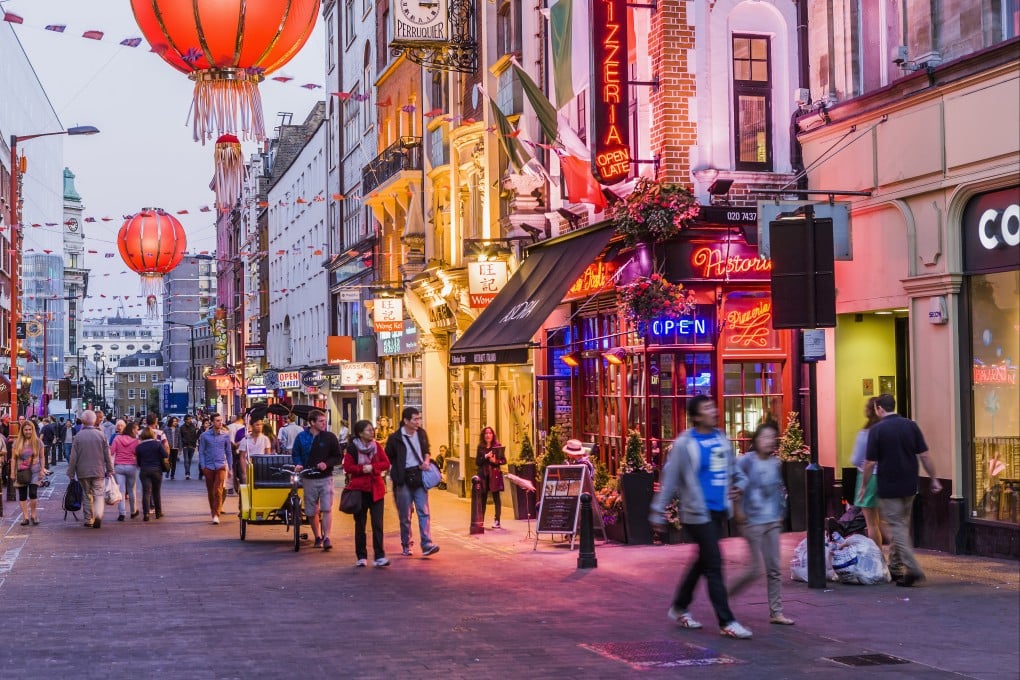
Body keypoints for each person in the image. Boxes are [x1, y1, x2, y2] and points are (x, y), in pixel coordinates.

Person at [650, 395, 752, 639]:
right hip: (696, 513)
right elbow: (670, 478)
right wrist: (657, 511)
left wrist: (741, 485)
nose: (714, 410)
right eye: (707, 408)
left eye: (713, 406)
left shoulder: (720, 439)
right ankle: (726, 621)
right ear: (696, 416)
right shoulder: (685, 443)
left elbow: (735, 471)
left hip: (718, 510)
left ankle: (679, 607)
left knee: (702, 562)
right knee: (714, 564)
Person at [858, 393, 941, 587]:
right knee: (901, 526)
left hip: (889, 487)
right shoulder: (911, 426)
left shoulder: (877, 430)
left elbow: (869, 463)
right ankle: (895, 568)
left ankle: (913, 569)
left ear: (879, 408)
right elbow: (925, 456)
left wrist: (863, 486)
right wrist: (934, 479)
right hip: (910, 486)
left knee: (896, 528)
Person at [727, 423, 794, 625]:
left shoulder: (775, 463)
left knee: (774, 568)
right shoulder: (746, 461)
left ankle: (776, 612)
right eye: (764, 437)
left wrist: (781, 512)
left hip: (772, 520)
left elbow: (779, 489)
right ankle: (723, 597)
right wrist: (738, 510)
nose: (768, 441)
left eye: (772, 437)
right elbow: (734, 486)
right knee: (754, 569)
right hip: (752, 521)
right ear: (756, 440)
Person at [385, 406, 440, 557]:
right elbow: (388, 457)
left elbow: (427, 450)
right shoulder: (395, 438)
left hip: (419, 476)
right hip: (402, 480)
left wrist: (426, 462)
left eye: (419, 418)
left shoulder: (421, 433)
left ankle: (427, 543)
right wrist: (394, 473)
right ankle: (406, 544)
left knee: (424, 512)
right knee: (405, 514)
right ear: (406, 421)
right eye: (415, 419)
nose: (418, 422)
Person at [342, 419, 391, 566]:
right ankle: (361, 556)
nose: (372, 432)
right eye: (369, 430)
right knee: (360, 524)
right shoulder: (352, 449)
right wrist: (361, 469)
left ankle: (379, 556)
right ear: (360, 433)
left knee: (377, 524)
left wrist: (373, 468)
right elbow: (347, 466)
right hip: (359, 491)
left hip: (376, 490)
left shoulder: (376, 446)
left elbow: (386, 463)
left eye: (372, 429)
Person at [292, 410, 342, 550]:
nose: (324, 423)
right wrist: (299, 464)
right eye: (321, 421)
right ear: (312, 422)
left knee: (326, 508)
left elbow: (338, 456)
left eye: (325, 421)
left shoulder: (330, 437)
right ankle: (317, 537)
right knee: (312, 510)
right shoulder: (301, 437)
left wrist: (326, 464)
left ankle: (327, 537)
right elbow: (296, 453)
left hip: (326, 477)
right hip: (309, 478)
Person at [66, 410, 114, 529]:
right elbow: (107, 454)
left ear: (83, 421)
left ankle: (89, 519)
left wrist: (71, 472)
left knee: (87, 494)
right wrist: (109, 468)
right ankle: (98, 514)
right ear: (94, 421)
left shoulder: (77, 437)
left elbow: (73, 457)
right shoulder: (101, 435)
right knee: (98, 493)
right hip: (98, 469)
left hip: (82, 471)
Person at [850, 397, 883, 549]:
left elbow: (856, 459)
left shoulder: (864, 434)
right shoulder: (885, 431)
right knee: (885, 522)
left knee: (872, 524)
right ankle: (899, 554)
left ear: (869, 411)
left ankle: (878, 557)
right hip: (886, 477)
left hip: (868, 478)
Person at [10, 420, 47, 526]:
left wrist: (42, 470)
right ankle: (25, 517)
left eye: (30, 429)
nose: (28, 432)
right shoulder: (17, 442)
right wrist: (12, 472)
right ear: (22, 431)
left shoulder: (38, 442)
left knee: (33, 493)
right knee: (22, 495)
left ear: (33, 430)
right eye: (26, 430)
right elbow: (13, 458)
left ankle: (34, 515)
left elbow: (42, 457)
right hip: (22, 472)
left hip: (35, 471)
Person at [198, 413, 233, 524]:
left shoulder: (225, 435)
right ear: (212, 422)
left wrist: (230, 467)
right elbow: (201, 452)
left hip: (221, 466)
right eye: (217, 420)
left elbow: (228, 452)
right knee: (211, 491)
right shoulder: (204, 436)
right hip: (208, 466)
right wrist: (203, 466)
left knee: (218, 490)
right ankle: (213, 510)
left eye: (220, 420)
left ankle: (216, 514)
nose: (220, 422)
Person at [475, 426, 506, 529]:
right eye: (486, 433)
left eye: (490, 433)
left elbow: (504, 460)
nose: (488, 435)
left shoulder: (497, 446)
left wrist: (495, 461)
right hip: (483, 476)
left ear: (493, 435)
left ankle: (497, 521)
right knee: (482, 499)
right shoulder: (480, 447)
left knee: (496, 498)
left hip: (494, 476)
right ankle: (481, 521)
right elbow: (477, 462)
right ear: (483, 436)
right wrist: (485, 456)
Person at [135, 427, 168, 520]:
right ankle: (158, 512)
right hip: (157, 470)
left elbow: (138, 461)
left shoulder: (139, 447)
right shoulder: (157, 444)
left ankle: (146, 513)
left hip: (145, 470)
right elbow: (165, 454)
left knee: (146, 492)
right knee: (156, 492)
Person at [111, 421, 141, 521]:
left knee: (121, 491)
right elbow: (137, 453)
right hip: (131, 466)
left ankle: (122, 513)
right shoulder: (135, 441)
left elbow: (111, 451)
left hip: (119, 466)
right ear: (132, 430)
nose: (137, 431)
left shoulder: (117, 438)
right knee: (132, 490)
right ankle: (133, 511)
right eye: (136, 429)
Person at [180, 415, 200, 480]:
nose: (190, 420)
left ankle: (188, 472)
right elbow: (181, 437)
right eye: (188, 419)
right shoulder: (182, 427)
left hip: (192, 445)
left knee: (190, 460)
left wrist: (194, 445)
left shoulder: (193, 426)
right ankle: (187, 474)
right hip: (185, 445)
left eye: (190, 419)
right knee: (186, 460)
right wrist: (182, 445)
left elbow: (195, 436)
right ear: (185, 420)